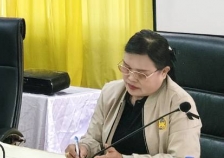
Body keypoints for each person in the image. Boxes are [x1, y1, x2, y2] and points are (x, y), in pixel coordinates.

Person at [66, 30, 201, 158]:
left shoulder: (180, 105)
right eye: (126, 67)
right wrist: (84, 148)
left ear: (164, 72)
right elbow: (94, 139)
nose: (130, 78)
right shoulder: (110, 92)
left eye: (141, 73)